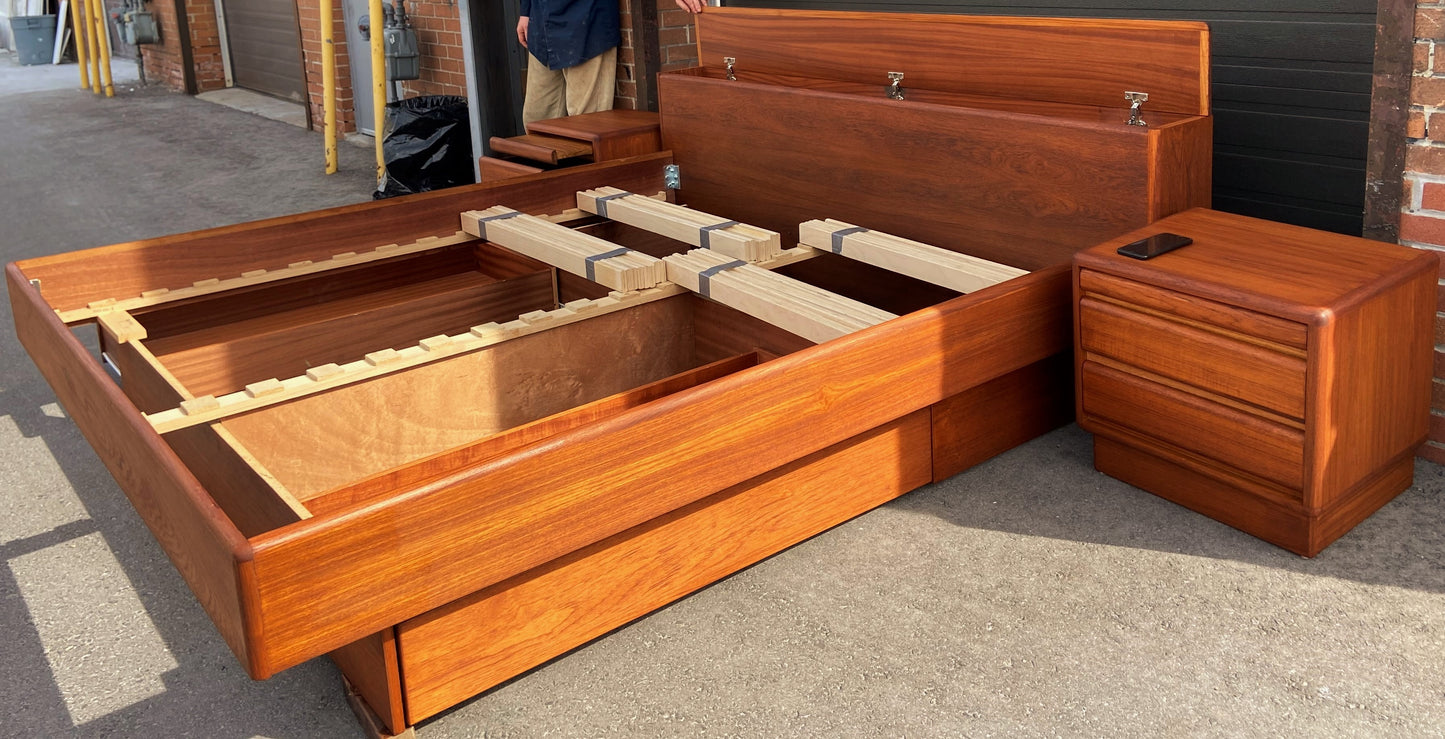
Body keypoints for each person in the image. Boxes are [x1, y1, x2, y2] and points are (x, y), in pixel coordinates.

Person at [516, 0, 621, 124]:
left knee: (588, 124)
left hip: (587, 23)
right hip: (541, 24)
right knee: (536, 120)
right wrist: (525, 11)